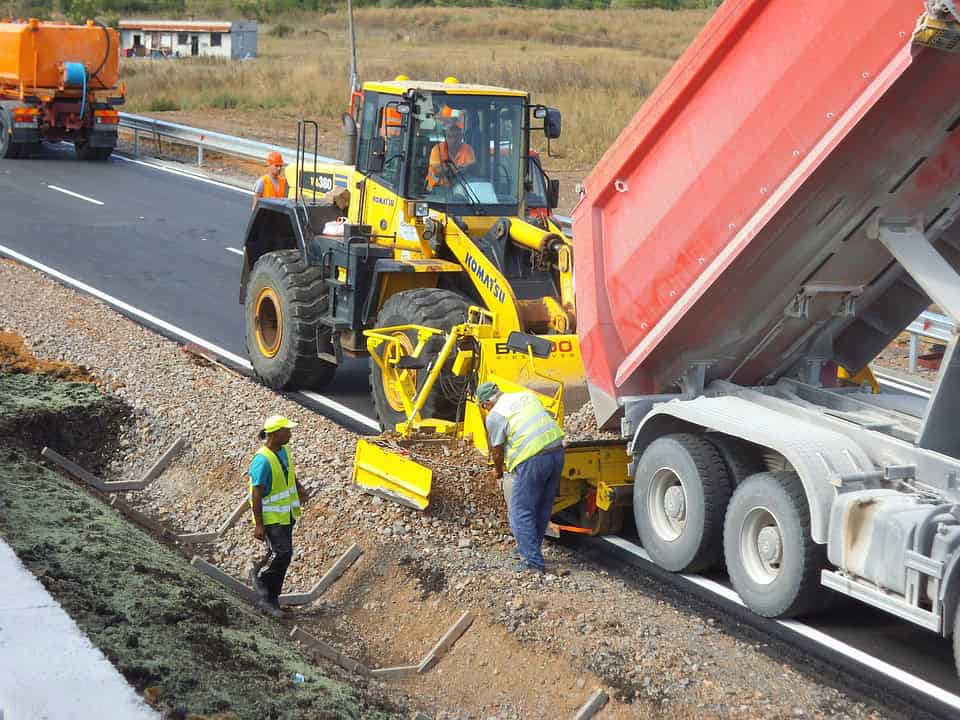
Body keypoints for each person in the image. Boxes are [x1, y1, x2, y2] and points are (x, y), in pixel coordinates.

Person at [477, 381, 565, 574]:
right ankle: (528, 548)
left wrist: (498, 471)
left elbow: (497, 451)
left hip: (533, 459)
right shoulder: (524, 396)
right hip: (557, 452)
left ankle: (532, 563)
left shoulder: (494, 416)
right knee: (542, 506)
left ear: (486, 404)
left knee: (519, 511)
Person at [248, 414, 307, 616]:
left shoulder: (284, 451)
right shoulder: (262, 461)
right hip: (271, 518)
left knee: (285, 554)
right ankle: (263, 588)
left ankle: (273, 599)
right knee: (282, 553)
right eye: (287, 431)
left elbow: (289, 473)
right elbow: (256, 494)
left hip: (286, 514)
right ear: (275, 434)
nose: (290, 434)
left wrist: (299, 488)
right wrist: (259, 524)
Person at [426, 116, 476, 191]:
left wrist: (449, 168)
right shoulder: (437, 149)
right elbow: (438, 171)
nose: (453, 140)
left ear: (461, 137)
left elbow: (470, 167)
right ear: (446, 137)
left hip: (459, 187)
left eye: (456, 137)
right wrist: (457, 169)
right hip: (436, 188)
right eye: (450, 137)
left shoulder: (468, 149)